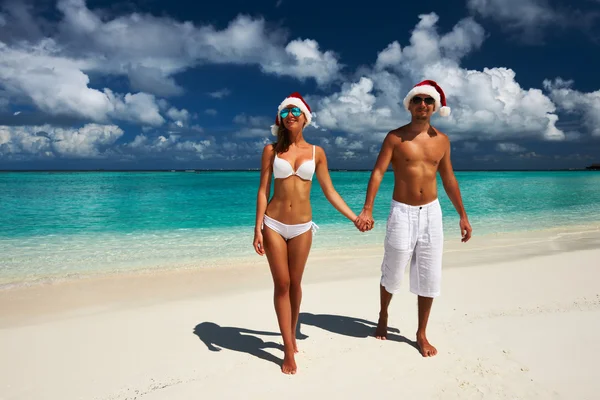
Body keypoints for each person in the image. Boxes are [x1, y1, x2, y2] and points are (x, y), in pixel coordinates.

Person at [355, 80, 473, 357]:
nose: (423, 104)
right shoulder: (395, 138)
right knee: (393, 270)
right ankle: (383, 314)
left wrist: (463, 216)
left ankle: (421, 333)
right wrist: (368, 209)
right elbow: (378, 173)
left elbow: (449, 178)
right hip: (402, 211)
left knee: (429, 274)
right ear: (410, 105)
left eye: (428, 101)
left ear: (435, 107)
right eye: (418, 100)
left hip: (432, 212)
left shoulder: (442, 141)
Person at [253, 92, 362, 375]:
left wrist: (354, 217)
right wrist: (257, 228)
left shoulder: (317, 153)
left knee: (296, 284)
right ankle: (288, 349)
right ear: (280, 118)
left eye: (295, 111)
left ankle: (290, 331)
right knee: (282, 284)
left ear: (305, 118)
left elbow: (329, 191)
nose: (290, 115)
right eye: (286, 110)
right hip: (273, 223)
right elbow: (263, 190)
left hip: (302, 226)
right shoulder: (270, 150)